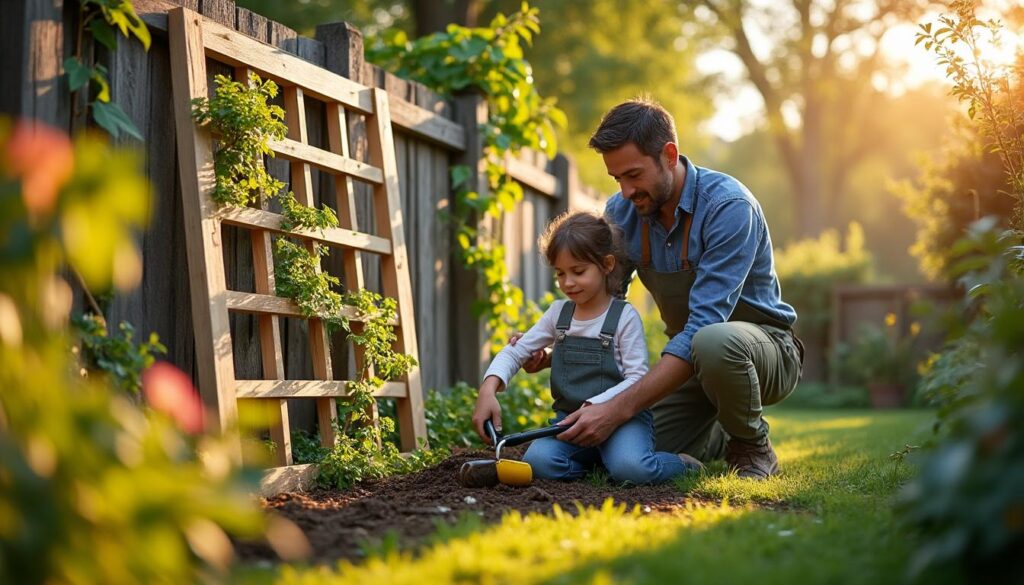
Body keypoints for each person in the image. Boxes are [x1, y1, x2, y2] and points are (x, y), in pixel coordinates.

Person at [519, 98, 804, 479]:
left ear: (669, 155)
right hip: (688, 366)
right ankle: (716, 435)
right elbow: (603, 306)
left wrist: (618, 408)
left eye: (634, 175)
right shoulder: (623, 212)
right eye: (617, 179)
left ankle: (751, 445)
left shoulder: (728, 207)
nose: (625, 191)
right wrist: (557, 351)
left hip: (763, 352)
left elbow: (704, 324)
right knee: (629, 452)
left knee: (712, 341)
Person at [472, 211, 701, 484]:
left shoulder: (624, 317)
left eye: (578, 271)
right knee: (539, 462)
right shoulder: (558, 315)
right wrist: (488, 389)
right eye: (560, 273)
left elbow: (637, 377)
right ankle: (601, 465)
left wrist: (595, 406)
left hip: (623, 422)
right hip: (571, 421)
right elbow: (516, 351)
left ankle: (684, 465)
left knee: (633, 469)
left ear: (606, 265)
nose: (568, 282)